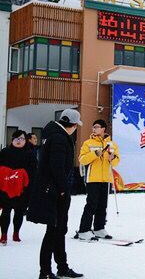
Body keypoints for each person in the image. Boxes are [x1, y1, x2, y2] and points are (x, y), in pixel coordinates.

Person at [27, 108, 84, 279]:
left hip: (53, 189)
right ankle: (45, 271)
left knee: (59, 230)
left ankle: (62, 267)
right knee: (53, 231)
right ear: (73, 125)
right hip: (54, 191)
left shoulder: (52, 133)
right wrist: (62, 189)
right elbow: (57, 166)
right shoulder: (59, 138)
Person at [76, 119, 120, 241]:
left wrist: (113, 157)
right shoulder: (88, 143)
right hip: (93, 178)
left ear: (103, 129)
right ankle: (84, 230)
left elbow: (116, 162)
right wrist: (95, 154)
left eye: (96, 127)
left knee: (102, 205)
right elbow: (82, 159)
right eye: (93, 127)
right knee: (91, 204)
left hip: (106, 178)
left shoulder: (111, 144)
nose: (94, 129)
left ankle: (99, 228)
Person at [0, 130, 37, 244]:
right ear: (12, 140)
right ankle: (4, 234)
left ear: (25, 141)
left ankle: (16, 233)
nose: (19, 141)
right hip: (6, 187)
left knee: (19, 212)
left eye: (22, 139)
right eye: (16, 138)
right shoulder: (5, 152)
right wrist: (8, 173)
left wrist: (22, 174)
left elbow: (33, 170)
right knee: (6, 211)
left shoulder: (30, 153)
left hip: (22, 188)